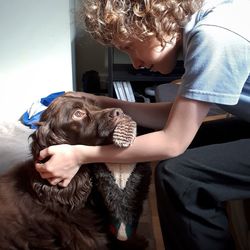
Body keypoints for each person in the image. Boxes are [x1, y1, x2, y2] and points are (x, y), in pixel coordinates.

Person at [36, 0, 250, 249]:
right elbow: (177, 116)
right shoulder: (207, 23)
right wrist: (103, 101)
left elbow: (172, 142)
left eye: (129, 47)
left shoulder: (213, 36)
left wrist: (79, 155)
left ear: (151, 24)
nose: (135, 63)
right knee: (178, 147)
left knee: (180, 176)